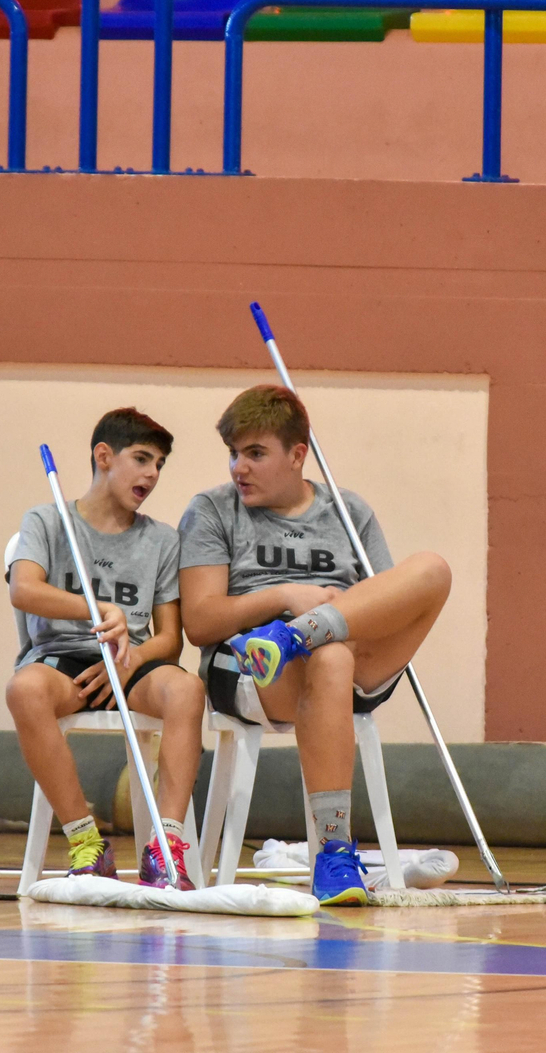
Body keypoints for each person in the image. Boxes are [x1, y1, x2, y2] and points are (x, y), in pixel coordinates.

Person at [178, 385, 451, 905]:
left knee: (432, 570)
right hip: (251, 668)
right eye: (234, 454)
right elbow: (200, 620)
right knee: (329, 656)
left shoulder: (349, 510)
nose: (240, 468)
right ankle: (333, 853)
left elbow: (387, 600)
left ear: (297, 454)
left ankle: (301, 634)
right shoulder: (212, 510)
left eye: (256, 453)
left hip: (352, 657)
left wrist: (325, 613)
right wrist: (283, 594)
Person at [6, 408, 206, 890]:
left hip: (133, 662)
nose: (152, 474)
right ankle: (86, 843)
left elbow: (169, 639)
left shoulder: (161, 539)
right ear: (104, 456)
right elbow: (24, 589)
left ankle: (165, 845)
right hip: (64, 659)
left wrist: (131, 657)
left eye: (159, 464)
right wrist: (96, 609)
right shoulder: (47, 519)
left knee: (188, 691)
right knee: (24, 690)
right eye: (141, 459)